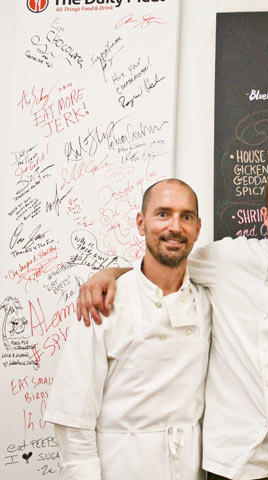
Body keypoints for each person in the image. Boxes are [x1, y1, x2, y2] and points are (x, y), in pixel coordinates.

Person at [76, 165, 268, 480]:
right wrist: (109, 273)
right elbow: (166, 261)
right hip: (235, 458)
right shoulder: (230, 258)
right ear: (265, 215)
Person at [44, 179, 212, 480]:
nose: (175, 226)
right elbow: (73, 417)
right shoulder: (104, 302)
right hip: (119, 467)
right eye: (163, 214)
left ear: (198, 228)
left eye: (186, 216)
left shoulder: (208, 300)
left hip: (189, 469)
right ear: (140, 223)